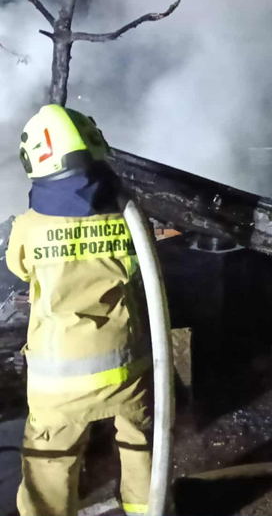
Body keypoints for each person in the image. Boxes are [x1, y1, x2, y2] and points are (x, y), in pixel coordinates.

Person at [5, 104, 152, 516]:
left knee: (50, 463)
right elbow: (142, 263)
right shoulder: (127, 215)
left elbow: (18, 267)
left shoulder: (29, 226)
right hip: (127, 366)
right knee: (140, 446)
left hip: (59, 379)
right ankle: (150, 508)